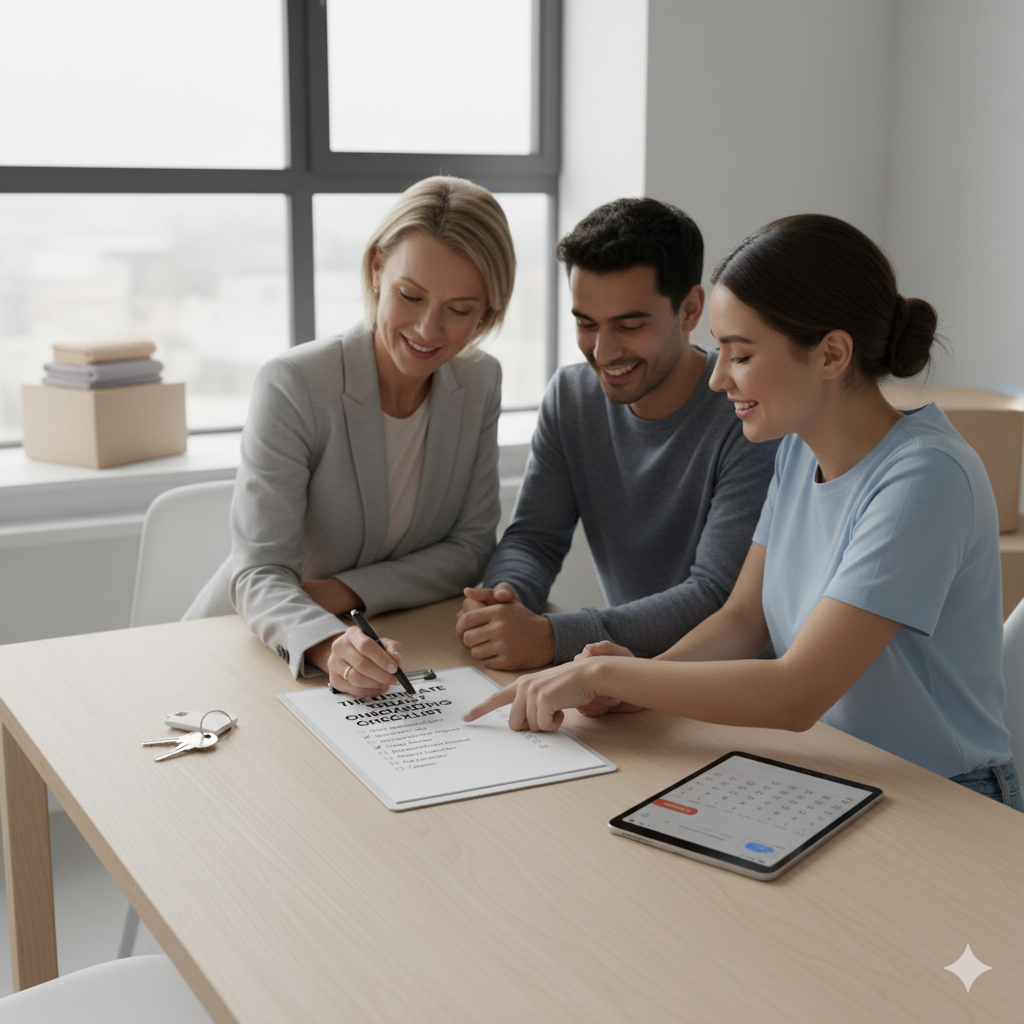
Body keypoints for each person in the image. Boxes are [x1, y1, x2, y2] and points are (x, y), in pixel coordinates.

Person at [465, 213, 1021, 809]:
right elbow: (742, 620)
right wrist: (642, 689)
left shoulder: (924, 478)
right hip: (841, 774)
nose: (717, 378)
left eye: (740, 354)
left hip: (947, 799)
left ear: (831, 353)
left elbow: (797, 692)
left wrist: (608, 675)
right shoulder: (795, 451)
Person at [186, 176, 516, 698]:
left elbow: (471, 549)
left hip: (389, 641)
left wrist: (341, 593)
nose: (429, 329)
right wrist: (326, 643)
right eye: (411, 296)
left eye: (460, 309)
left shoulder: (479, 381)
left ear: (487, 310)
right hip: (259, 644)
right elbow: (260, 572)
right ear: (377, 269)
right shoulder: (296, 383)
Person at [455, 198, 778, 671]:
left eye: (629, 325)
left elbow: (717, 597)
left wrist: (552, 637)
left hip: (727, 686)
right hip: (623, 679)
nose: (603, 351)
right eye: (586, 324)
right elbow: (534, 539)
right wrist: (505, 598)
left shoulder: (748, 413)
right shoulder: (570, 396)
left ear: (690, 310)